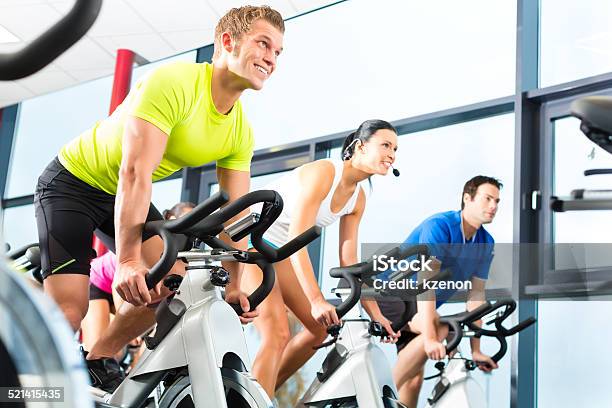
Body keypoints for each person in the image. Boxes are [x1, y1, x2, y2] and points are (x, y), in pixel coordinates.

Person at [33, 5, 284, 392]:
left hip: (120, 192)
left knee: (173, 287)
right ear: (228, 41)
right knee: (68, 313)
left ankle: (99, 358)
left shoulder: (239, 131)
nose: (271, 57)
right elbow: (135, 171)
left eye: (278, 52)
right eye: (263, 43)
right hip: (73, 183)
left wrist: (236, 283)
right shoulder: (174, 82)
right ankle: (22, 386)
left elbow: (238, 214)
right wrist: (129, 259)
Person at [241, 119, 401, 398]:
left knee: (319, 330)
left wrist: (377, 315)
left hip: (280, 251)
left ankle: (257, 396)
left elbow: (350, 264)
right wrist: (316, 299)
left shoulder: (358, 198)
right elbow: (296, 236)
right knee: (277, 333)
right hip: (249, 239)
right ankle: (254, 400)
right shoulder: (324, 173)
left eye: (395, 149)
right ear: (359, 147)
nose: (392, 154)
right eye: (385, 145)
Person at [378, 175, 502, 408]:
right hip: (391, 292)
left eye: (497, 201)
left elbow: (476, 298)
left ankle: (383, 398)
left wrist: (476, 350)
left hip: (420, 303)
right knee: (438, 328)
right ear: (468, 198)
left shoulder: (486, 242)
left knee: (414, 380)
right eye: (487, 199)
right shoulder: (440, 227)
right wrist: (431, 338)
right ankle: (375, 401)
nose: (493, 206)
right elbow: (427, 282)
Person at [80, 202, 195, 361]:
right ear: (171, 218)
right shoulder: (153, 242)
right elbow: (118, 284)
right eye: (186, 219)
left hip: (132, 288)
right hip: (100, 283)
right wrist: (126, 325)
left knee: (150, 340)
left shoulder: (183, 255)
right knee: (109, 353)